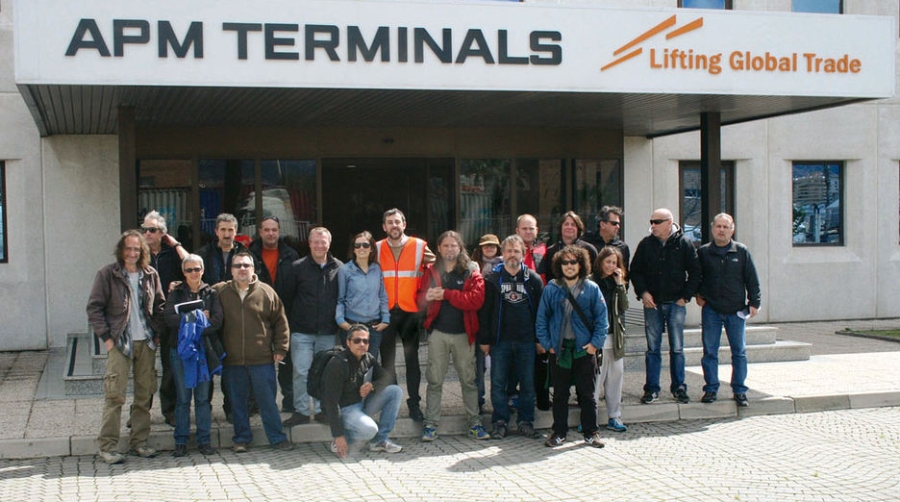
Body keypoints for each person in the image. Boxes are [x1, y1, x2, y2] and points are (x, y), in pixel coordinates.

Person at [86, 230, 166, 464]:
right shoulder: (107, 274)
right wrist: (107, 339)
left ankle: (139, 442)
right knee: (115, 396)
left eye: (137, 249)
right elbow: (94, 308)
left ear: (143, 252)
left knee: (144, 395)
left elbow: (160, 306)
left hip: (146, 343)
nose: (132, 253)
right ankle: (107, 446)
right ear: (121, 250)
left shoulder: (150, 275)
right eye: (128, 248)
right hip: (120, 343)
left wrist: (157, 334)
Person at [214, 251, 293, 453]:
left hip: (262, 359)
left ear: (253, 269)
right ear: (231, 270)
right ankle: (241, 438)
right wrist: (177, 286)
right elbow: (197, 290)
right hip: (232, 360)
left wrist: (281, 348)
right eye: (238, 265)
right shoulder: (220, 292)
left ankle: (277, 438)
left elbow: (281, 322)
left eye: (246, 265)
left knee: (267, 402)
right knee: (237, 403)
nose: (242, 269)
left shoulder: (266, 292)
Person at [418, 230, 490, 442]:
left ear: (460, 248)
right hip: (438, 333)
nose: (450, 249)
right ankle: (430, 424)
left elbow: (476, 300)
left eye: (453, 245)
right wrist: (428, 297)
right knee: (434, 381)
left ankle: (474, 424)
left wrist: (446, 294)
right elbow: (420, 297)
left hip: (463, 334)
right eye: (445, 245)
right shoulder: (430, 270)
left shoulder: (470, 270)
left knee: (469, 381)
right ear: (438, 248)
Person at [536, 245, 608, 448]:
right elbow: (541, 319)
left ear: (581, 264)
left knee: (587, 394)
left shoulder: (592, 288)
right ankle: (559, 432)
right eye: (565, 262)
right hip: (560, 351)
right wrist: (548, 344)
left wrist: (595, 344)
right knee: (559, 394)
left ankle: (591, 433)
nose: (569, 266)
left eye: (573, 262)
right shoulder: (551, 288)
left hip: (584, 350)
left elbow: (602, 319)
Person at [630, 208, 701, 405]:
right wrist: (643, 293)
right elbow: (635, 271)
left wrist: (685, 297)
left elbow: (695, 272)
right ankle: (652, 389)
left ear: (669, 223)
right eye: (651, 221)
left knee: (677, 348)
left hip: (675, 304)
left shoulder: (684, 243)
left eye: (657, 221)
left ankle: (679, 388)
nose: (652, 225)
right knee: (653, 349)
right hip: (652, 304)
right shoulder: (645, 244)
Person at [478, 235, 543, 439]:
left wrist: (540, 339)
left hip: (526, 341)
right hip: (500, 341)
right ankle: (500, 422)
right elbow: (485, 312)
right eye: (508, 251)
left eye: (516, 251)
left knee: (527, 383)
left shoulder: (533, 279)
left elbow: (541, 311)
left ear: (523, 254)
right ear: (502, 254)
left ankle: (526, 421)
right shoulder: (492, 278)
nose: (512, 254)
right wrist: (485, 340)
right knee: (498, 383)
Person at [696, 213, 761, 408]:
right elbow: (697, 276)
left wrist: (754, 303)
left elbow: (752, 279)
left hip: (736, 310)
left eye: (725, 227)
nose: (721, 230)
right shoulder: (704, 252)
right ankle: (711, 388)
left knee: (739, 352)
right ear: (712, 228)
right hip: (712, 310)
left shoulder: (741, 251)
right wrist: (698, 294)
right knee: (710, 351)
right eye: (718, 226)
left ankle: (739, 390)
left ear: (732, 230)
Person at [376, 208, 434, 422]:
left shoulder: (419, 246)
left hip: (411, 312)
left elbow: (436, 268)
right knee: (387, 363)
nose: (394, 226)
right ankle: (391, 403)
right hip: (386, 312)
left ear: (404, 223)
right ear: (384, 227)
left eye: (397, 222)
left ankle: (414, 404)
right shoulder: (376, 248)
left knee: (412, 362)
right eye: (390, 222)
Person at [164, 254, 223, 457]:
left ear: (203, 270)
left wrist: (191, 325)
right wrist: (197, 318)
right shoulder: (176, 292)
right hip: (180, 351)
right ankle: (180, 441)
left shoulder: (211, 293)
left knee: (202, 398)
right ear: (183, 272)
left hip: (203, 351)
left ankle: (204, 440)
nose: (193, 273)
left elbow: (216, 321)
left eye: (197, 269)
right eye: (189, 270)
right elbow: (169, 318)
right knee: (182, 398)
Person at [196, 212, 253, 422]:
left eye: (231, 230)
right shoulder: (204, 253)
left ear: (236, 232)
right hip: (210, 317)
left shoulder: (245, 254)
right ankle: (205, 410)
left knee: (233, 368)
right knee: (209, 364)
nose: (227, 234)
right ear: (216, 231)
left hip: (236, 318)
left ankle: (232, 409)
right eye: (223, 230)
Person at [283, 226, 342, 427]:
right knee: (301, 371)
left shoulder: (339, 268)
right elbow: (288, 299)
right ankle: (300, 410)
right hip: (301, 330)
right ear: (309, 243)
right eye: (315, 241)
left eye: (323, 241)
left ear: (329, 243)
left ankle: (321, 410)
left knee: (325, 373)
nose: (319, 245)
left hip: (327, 331)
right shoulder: (296, 267)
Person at [322, 324, 403, 458]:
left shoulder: (368, 358)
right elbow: (331, 402)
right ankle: (345, 439)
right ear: (348, 342)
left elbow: (387, 378)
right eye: (357, 340)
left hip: (362, 403)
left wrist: (373, 385)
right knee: (370, 429)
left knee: (395, 391)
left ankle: (379, 440)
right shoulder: (337, 364)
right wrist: (338, 435)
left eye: (365, 341)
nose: (362, 344)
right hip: (345, 409)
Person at [248, 216, 300, 413]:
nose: (271, 233)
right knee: (259, 363)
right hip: (258, 317)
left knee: (287, 362)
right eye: (267, 230)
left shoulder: (291, 255)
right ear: (260, 231)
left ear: (279, 231)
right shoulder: (249, 254)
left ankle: (290, 401)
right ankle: (257, 404)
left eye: (274, 230)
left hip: (285, 317)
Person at [141, 210, 189, 427]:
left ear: (162, 233)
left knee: (170, 366)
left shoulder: (172, 253)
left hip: (169, 317)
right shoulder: (140, 254)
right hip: (146, 318)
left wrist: (176, 244)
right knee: (144, 369)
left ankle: (169, 410)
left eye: (152, 230)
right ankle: (141, 412)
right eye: (144, 229)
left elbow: (191, 264)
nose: (147, 234)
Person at [591, 246, 629, 433]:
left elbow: (625, 306)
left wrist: (620, 283)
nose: (611, 266)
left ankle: (615, 416)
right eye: (608, 262)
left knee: (615, 378)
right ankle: (591, 417)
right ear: (600, 262)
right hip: (597, 337)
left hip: (616, 337)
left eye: (614, 262)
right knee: (596, 379)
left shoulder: (617, 284)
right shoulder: (591, 282)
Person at [336, 231, 390, 356]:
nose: (361, 248)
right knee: (352, 367)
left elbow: (382, 296)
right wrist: (341, 321)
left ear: (371, 248)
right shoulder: (345, 270)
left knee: (370, 366)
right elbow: (340, 299)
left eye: (365, 245)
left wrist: (385, 320)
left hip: (374, 327)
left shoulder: (377, 269)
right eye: (357, 245)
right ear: (353, 249)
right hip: (352, 326)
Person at [516, 213, 550, 410]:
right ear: (517, 230)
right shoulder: (510, 251)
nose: (528, 232)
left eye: (532, 228)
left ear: (536, 230)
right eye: (524, 228)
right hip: (517, 313)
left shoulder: (544, 251)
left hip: (541, 312)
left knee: (541, 358)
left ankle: (542, 398)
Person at [470, 232, 502, 412]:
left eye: (492, 245)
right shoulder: (473, 266)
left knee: (500, 366)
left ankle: (501, 402)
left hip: (499, 321)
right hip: (478, 320)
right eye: (485, 245)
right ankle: (478, 401)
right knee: (478, 367)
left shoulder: (506, 265)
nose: (489, 248)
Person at [538, 211, 598, 281]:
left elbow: (596, 274)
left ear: (578, 229)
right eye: (566, 224)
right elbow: (548, 276)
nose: (569, 227)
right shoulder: (551, 251)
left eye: (573, 225)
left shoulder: (589, 249)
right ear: (561, 227)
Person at [582, 206, 630, 275]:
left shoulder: (622, 247)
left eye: (618, 224)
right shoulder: (587, 242)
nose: (618, 227)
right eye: (614, 223)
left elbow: (624, 275)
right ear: (603, 225)